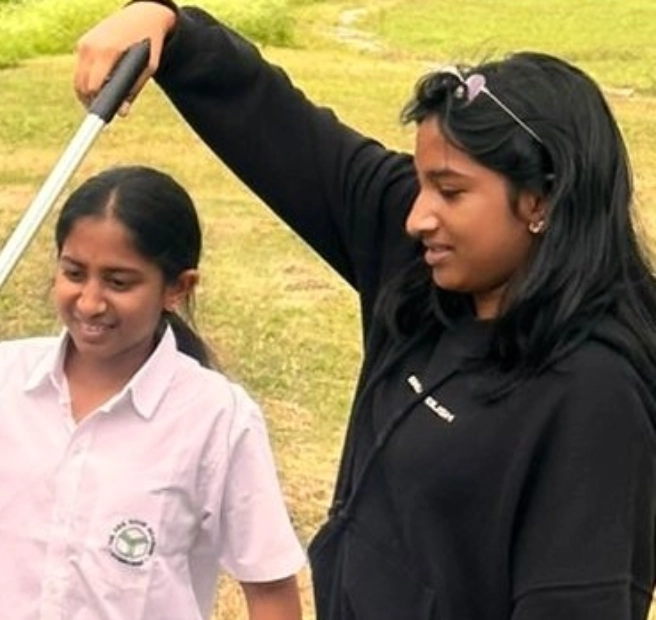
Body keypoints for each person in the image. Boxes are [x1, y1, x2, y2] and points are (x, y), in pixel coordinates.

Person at [73, 2, 656, 618]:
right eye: (422, 182)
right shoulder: (422, 266)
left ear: (541, 199)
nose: (417, 215)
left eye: (450, 191)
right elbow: (283, 134)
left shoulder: (597, 396)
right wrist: (170, 28)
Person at [0, 166, 305, 619]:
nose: (89, 302)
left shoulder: (217, 416)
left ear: (177, 288)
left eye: (119, 282)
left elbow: (270, 590)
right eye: (73, 273)